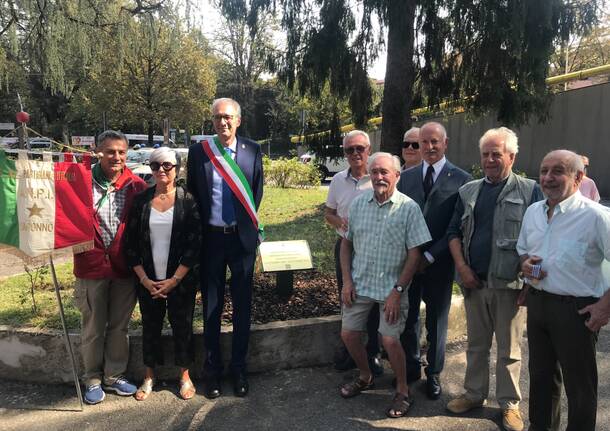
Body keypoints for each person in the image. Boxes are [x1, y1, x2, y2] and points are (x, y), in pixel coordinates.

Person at [445, 127, 543, 431]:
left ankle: (509, 404)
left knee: (510, 350)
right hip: (475, 283)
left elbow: (541, 241)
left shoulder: (530, 190)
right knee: (476, 346)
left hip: (511, 287)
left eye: (496, 154)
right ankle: (474, 394)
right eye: (485, 154)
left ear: (511, 156)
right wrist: (461, 267)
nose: (489, 159)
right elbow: (453, 233)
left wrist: (531, 283)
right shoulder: (469, 191)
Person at [517, 150, 610, 431]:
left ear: (578, 177)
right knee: (541, 377)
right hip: (538, 304)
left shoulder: (597, 217)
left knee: (580, 386)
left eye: (557, 171)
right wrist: (526, 266)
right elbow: (523, 252)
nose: (547, 178)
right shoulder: (534, 212)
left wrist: (605, 306)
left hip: (576, 310)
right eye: (544, 171)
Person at [338, 152, 431, 418]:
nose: (379, 177)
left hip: (392, 288)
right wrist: (347, 281)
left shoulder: (409, 208)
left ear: (397, 175)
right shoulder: (357, 205)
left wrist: (398, 291)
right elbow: (346, 244)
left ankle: (403, 390)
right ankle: (366, 376)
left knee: (389, 339)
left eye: (385, 172)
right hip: (360, 284)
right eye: (375, 171)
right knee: (349, 334)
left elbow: (415, 254)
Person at [187, 98, 263, 399]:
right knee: (212, 308)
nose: (223, 122)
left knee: (243, 307)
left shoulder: (252, 150)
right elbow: (193, 194)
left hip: (241, 241)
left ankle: (239, 369)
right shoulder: (199, 153)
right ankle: (213, 371)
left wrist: (245, 227)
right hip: (212, 240)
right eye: (218, 117)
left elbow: (256, 191)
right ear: (212, 120)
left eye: (228, 117)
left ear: (238, 120)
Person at [396, 121, 471, 399]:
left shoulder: (462, 179)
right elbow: (400, 219)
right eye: (423, 142)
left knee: (438, 321)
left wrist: (429, 254)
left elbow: (457, 225)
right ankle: (412, 366)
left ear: (445, 143)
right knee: (410, 318)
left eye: (434, 142)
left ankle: (435, 373)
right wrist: (412, 256)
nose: (428, 147)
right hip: (409, 262)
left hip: (440, 263)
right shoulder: (407, 177)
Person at [73, 130, 147, 404]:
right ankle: (92, 378)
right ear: (97, 151)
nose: (116, 157)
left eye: (121, 152)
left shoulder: (136, 185)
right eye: (109, 151)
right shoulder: (80, 182)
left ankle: (115, 375)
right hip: (90, 266)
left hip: (124, 268)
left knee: (119, 325)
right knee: (93, 325)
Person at [124, 148, 202, 401]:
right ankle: (149, 376)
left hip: (179, 280)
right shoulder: (141, 201)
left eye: (167, 165)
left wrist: (174, 279)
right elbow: (130, 244)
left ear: (177, 169)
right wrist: (145, 280)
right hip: (148, 280)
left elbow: (195, 245)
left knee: (183, 325)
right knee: (150, 326)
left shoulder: (188, 200)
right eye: (155, 165)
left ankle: (185, 375)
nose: (161, 170)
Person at [324, 130, 382, 376]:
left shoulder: (379, 177)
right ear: (345, 153)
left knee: (374, 301)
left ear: (369, 150)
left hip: (374, 249)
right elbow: (328, 213)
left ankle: (373, 353)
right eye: (350, 150)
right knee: (347, 296)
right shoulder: (338, 180)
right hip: (346, 247)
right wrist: (340, 222)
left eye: (360, 148)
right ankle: (350, 350)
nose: (355, 153)